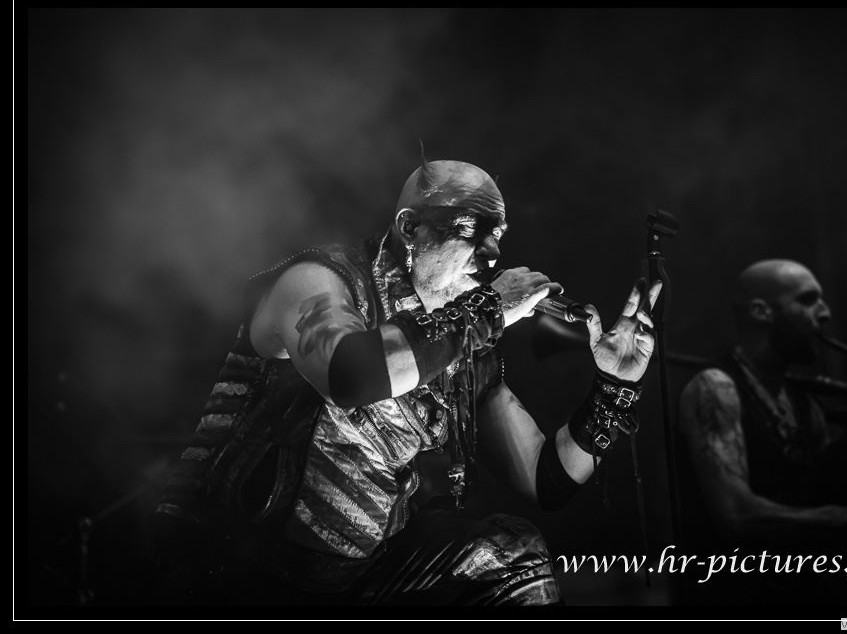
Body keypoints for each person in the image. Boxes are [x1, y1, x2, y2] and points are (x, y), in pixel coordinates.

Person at [148, 152, 662, 607]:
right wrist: (487, 311)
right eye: (470, 229)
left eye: (498, 235)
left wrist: (613, 388)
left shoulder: (464, 343)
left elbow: (543, 480)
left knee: (514, 554)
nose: (491, 254)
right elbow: (350, 376)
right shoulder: (321, 279)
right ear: (410, 227)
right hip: (238, 567)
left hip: (361, 579)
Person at [675, 259, 847, 608]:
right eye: (808, 300)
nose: (825, 312)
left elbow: (821, 496)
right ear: (761, 312)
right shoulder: (715, 389)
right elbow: (736, 516)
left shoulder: (804, 406)